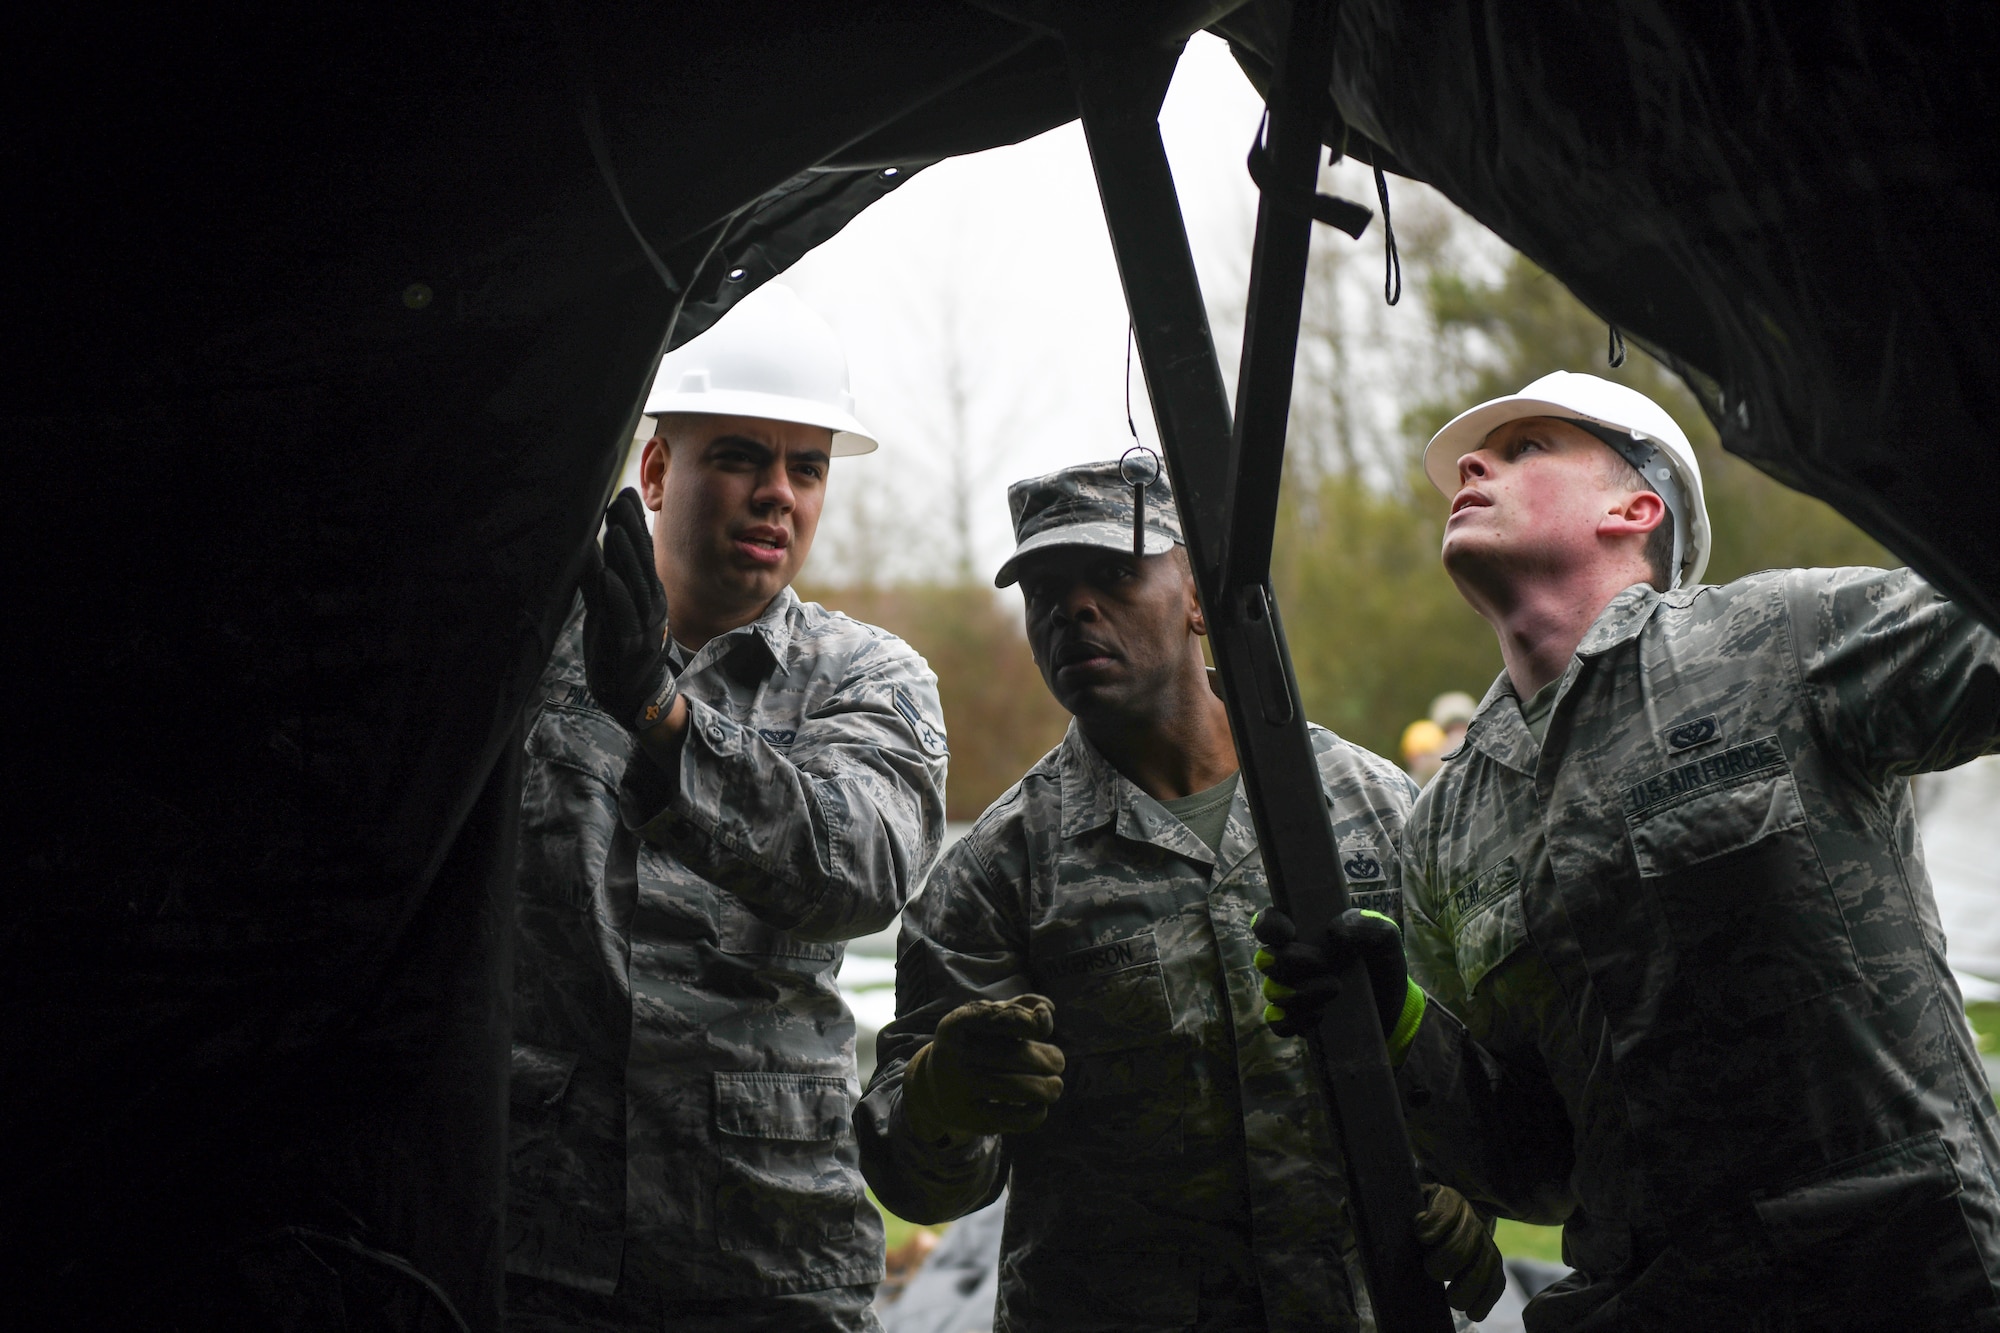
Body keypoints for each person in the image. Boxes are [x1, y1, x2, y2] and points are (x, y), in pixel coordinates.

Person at [1256, 371, 2000, 1329]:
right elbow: (1536, 1165)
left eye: (1527, 448)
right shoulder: (1442, 825)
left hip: (1897, 1281)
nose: (1473, 465)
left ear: (1635, 506)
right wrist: (1393, 1022)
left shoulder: (1783, 641)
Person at [855, 461, 1504, 1332]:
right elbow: (918, 1180)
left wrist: (1466, 1198)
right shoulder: (998, 870)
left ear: (1197, 597)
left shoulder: (1366, 806)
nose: (1074, 608)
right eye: (1045, 588)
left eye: (1116, 574)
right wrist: (940, 1099)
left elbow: (1471, 1059)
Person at [506, 283, 950, 1332]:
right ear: (657, 469)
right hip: (533, 1247)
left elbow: (862, 867)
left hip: (767, 1252)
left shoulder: (866, 676)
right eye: (742, 456)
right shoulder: (528, 652)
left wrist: (664, 723)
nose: (777, 495)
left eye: (805, 468)